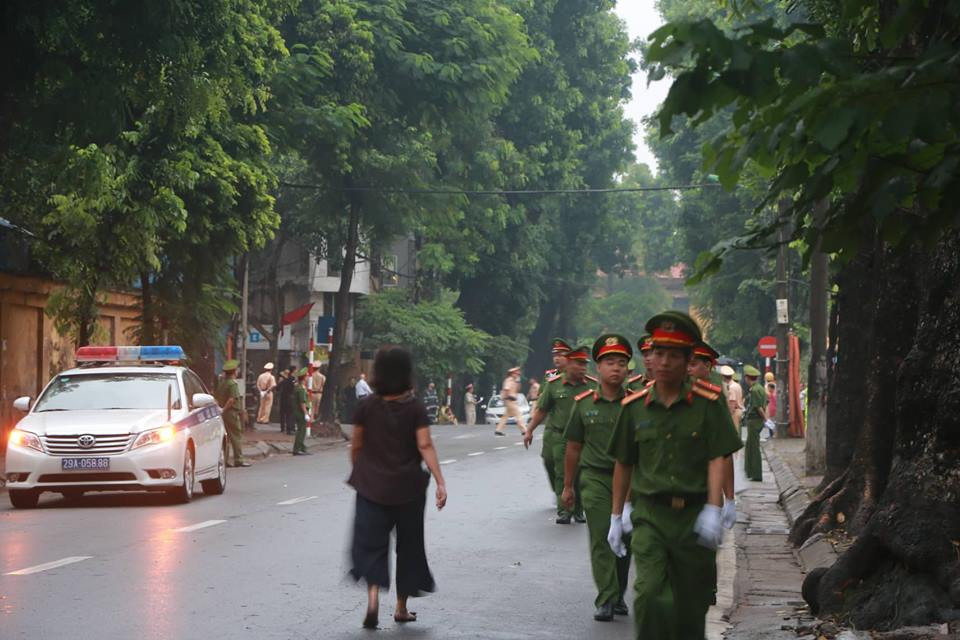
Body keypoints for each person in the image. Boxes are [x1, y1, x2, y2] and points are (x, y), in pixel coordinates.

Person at [608, 311, 742, 640]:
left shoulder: (708, 404)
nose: (665, 362)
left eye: (674, 355)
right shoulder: (634, 406)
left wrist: (715, 506)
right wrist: (617, 515)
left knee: (690, 610)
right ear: (650, 357)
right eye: (659, 353)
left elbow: (717, 456)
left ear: (687, 361)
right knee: (650, 596)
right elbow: (624, 463)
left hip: (693, 517)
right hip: (651, 516)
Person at [348, 346, 447, 629]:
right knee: (409, 546)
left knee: (371, 544)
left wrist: (362, 474)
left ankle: (372, 599)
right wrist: (440, 481)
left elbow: (356, 445)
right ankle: (401, 607)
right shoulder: (415, 408)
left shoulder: (366, 406)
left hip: (372, 488)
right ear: (407, 373)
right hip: (408, 489)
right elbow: (424, 444)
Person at [562, 334, 633, 621]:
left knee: (625, 537)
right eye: (610, 362)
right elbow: (573, 447)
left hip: (630, 481)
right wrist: (568, 486)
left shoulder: (635, 404)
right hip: (595, 479)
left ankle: (618, 593)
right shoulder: (582, 403)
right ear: (598, 368)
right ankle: (606, 597)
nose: (616, 368)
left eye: (621, 363)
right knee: (602, 536)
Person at [524, 345, 592, 524]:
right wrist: (529, 430)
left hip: (585, 438)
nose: (583, 368)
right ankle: (565, 510)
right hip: (562, 436)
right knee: (562, 473)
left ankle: (579, 509)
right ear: (568, 364)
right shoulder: (554, 385)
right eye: (579, 364)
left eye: (585, 364)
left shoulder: (593, 385)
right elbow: (542, 410)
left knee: (581, 474)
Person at [689, 342, 738, 534]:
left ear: (708, 366)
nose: (688, 369)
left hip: (706, 486)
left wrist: (729, 498)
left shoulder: (714, 397)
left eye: (693, 364)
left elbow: (724, 453)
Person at [215, 360, 251, 467]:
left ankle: (225, 460)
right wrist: (224, 409)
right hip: (231, 413)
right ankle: (238, 459)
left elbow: (216, 398)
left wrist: (221, 409)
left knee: (226, 437)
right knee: (236, 436)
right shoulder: (232, 384)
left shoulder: (222, 384)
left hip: (223, 414)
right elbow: (232, 399)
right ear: (234, 371)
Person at [742, 365, 767, 481]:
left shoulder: (755, 390)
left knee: (753, 448)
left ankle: (756, 474)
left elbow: (758, 408)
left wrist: (766, 419)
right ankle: (751, 472)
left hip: (754, 420)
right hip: (756, 420)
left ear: (747, 378)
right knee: (751, 446)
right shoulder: (760, 388)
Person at [494, 367, 526, 436]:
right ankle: (524, 430)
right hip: (510, 400)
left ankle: (498, 430)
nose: (517, 375)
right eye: (516, 374)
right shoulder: (509, 380)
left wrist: (518, 381)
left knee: (505, 416)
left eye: (518, 374)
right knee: (518, 415)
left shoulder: (514, 381)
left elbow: (518, 389)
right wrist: (508, 396)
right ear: (512, 374)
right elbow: (506, 389)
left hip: (512, 400)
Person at [292, 368, 312, 456]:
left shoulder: (298, 387)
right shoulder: (301, 389)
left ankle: (302, 448)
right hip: (300, 412)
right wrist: (306, 413)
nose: (308, 378)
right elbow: (302, 402)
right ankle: (297, 449)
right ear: (304, 378)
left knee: (301, 430)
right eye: (307, 376)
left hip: (297, 411)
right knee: (301, 431)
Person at [277, 367, 296, 435]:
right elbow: (294, 388)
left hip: (283, 398)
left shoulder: (283, 380)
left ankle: (283, 427)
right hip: (290, 398)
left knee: (283, 413)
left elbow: (277, 388)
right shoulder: (292, 379)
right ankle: (290, 428)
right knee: (290, 414)